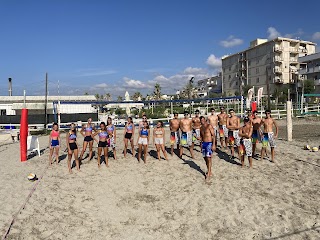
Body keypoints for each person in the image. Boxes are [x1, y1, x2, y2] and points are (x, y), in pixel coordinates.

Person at [199, 116, 216, 181]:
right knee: (205, 158)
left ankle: (208, 173)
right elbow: (201, 137)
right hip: (204, 144)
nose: (202, 121)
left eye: (203, 120)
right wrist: (199, 141)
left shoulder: (209, 126)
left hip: (209, 143)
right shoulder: (201, 128)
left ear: (205, 120)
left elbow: (213, 136)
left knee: (209, 158)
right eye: (201, 120)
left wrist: (213, 145)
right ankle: (209, 171)